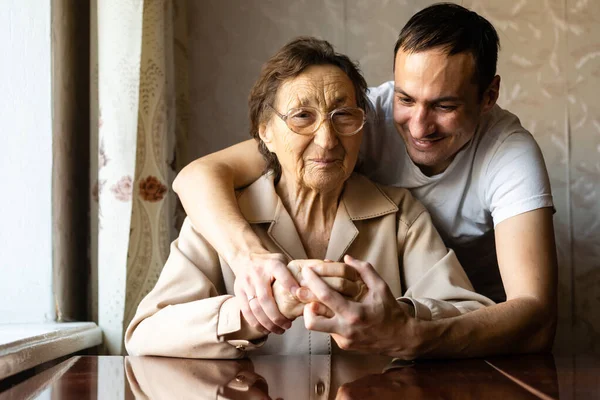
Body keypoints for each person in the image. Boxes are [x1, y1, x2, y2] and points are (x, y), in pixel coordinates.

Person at [172, 3, 558, 357]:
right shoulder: (358, 115)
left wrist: (407, 330)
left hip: (478, 331)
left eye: (445, 105)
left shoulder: (506, 157)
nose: (419, 126)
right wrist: (250, 266)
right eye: (405, 99)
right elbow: (198, 175)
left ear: (488, 96)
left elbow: (535, 317)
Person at [125, 37, 492, 359]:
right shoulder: (221, 217)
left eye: (343, 116)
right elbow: (145, 334)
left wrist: (400, 316)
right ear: (264, 132)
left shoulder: (400, 215)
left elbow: (467, 314)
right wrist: (251, 312)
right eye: (303, 116)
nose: (328, 139)